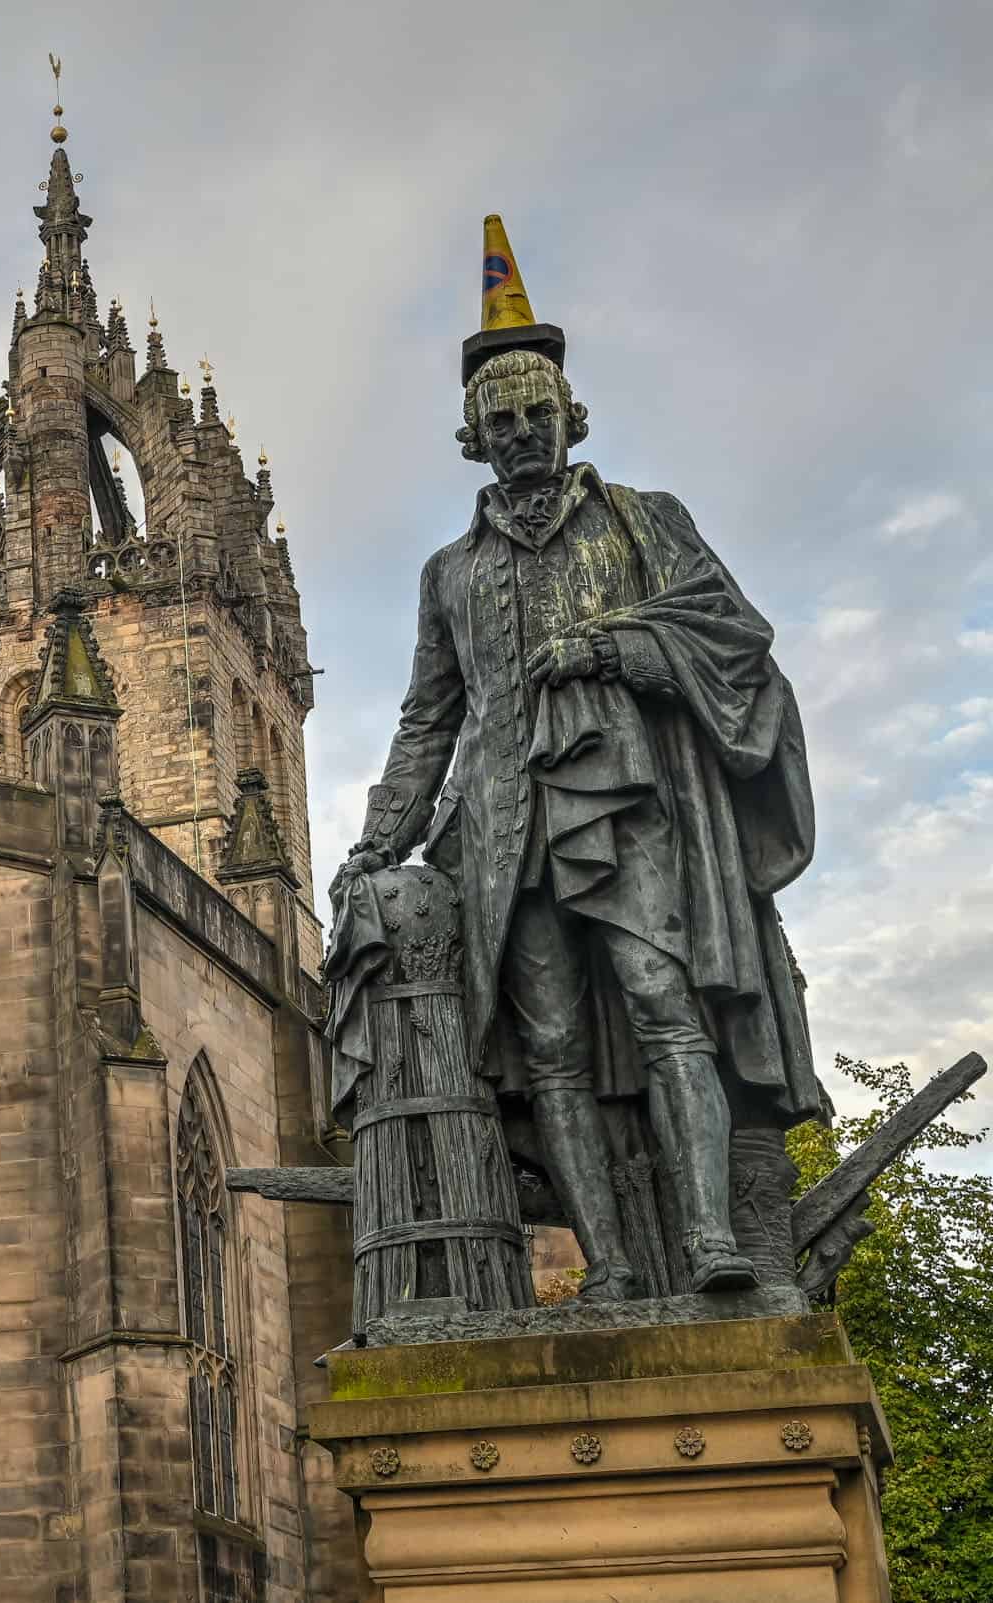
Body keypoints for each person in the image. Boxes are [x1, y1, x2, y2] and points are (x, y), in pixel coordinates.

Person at [335, 218, 827, 1297]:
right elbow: (429, 720)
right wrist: (377, 843)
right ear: (473, 438)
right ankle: (607, 1269)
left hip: (626, 803)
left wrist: (615, 644)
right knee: (547, 1044)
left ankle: (709, 1243)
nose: (520, 432)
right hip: (504, 828)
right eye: (500, 420)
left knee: (663, 1001)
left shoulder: (643, 522)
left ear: (572, 417)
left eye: (536, 414)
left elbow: (732, 635)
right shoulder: (449, 572)